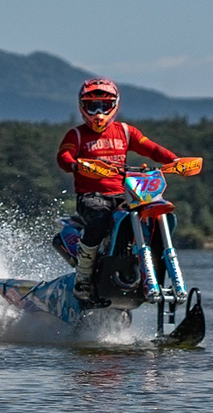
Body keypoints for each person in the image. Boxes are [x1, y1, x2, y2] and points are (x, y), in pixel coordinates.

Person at [55, 78, 201, 299]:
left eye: (104, 105)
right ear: (82, 106)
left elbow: (152, 149)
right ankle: (83, 278)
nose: (98, 112)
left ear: (115, 105)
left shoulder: (124, 131)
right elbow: (63, 156)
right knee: (99, 221)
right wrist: (76, 164)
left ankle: (153, 272)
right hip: (92, 197)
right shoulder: (76, 135)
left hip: (123, 194)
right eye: (92, 105)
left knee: (154, 215)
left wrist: (175, 161)